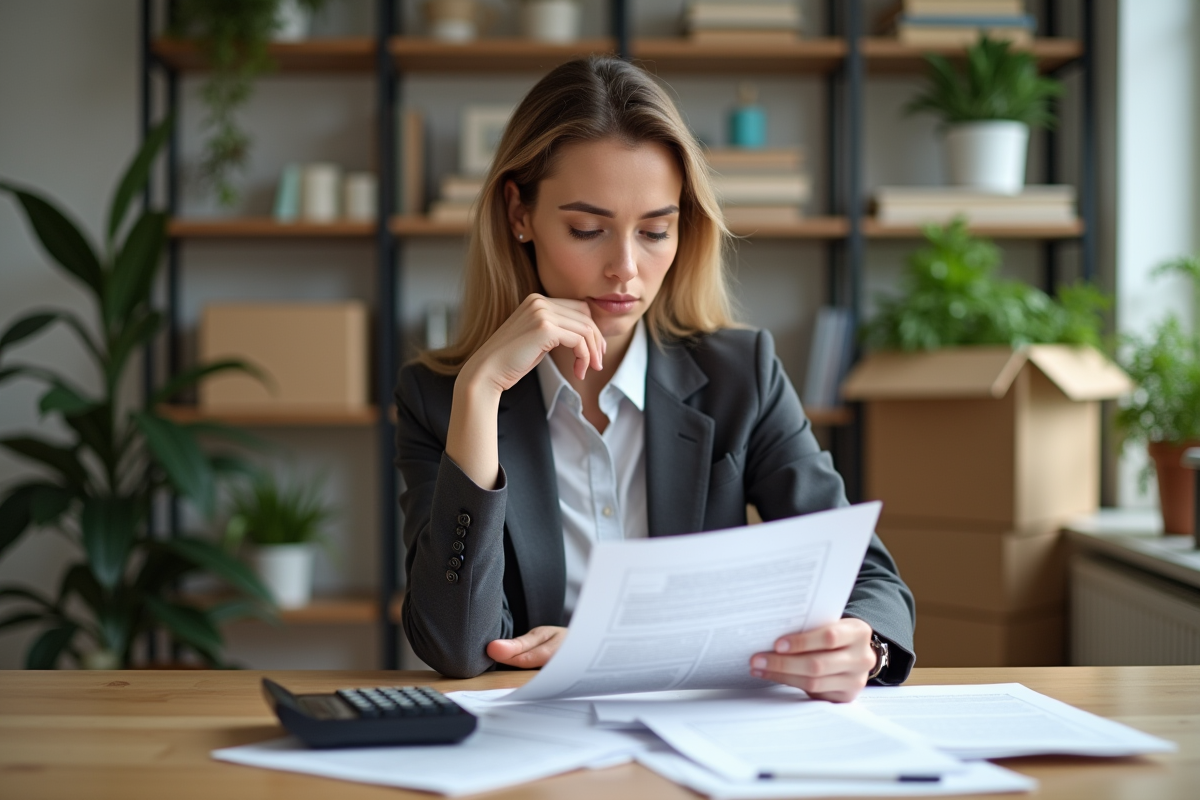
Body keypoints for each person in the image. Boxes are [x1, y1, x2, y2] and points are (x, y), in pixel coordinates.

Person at [395, 56, 915, 701]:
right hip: (537, 735)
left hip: (701, 726)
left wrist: (865, 643)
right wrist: (478, 396)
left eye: (655, 230)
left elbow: (871, 579)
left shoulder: (741, 375)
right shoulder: (437, 398)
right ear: (519, 213)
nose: (626, 268)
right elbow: (455, 643)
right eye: (587, 229)